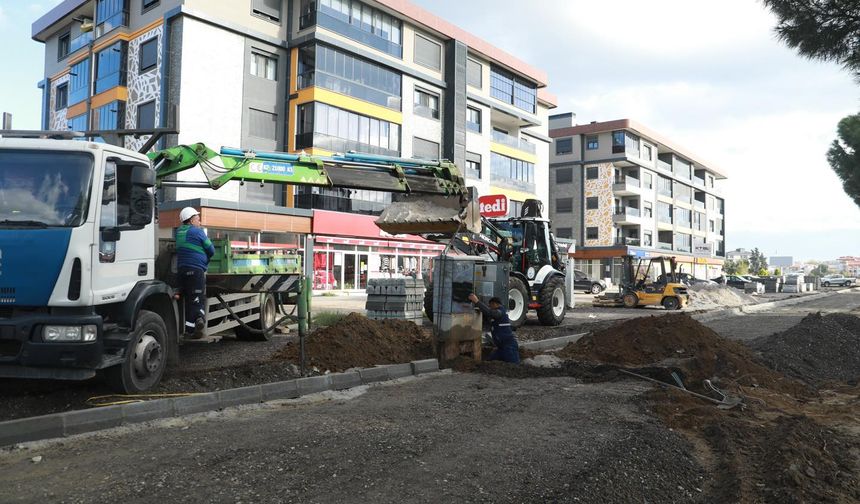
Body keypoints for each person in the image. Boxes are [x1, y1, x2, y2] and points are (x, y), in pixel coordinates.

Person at [175, 207, 215, 338]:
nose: (200, 222)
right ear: (192, 221)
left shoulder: (179, 232)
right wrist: (206, 258)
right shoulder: (198, 232)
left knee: (188, 300)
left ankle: (189, 330)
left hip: (181, 271)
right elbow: (211, 249)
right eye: (198, 219)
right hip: (196, 270)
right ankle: (199, 318)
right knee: (197, 299)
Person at [467, 293, 519, 364]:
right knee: (488, 363)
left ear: (495, 304)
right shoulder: (495, 316)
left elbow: (489, 312)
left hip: (509, 347)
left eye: (490, 305)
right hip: (500, 348)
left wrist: (477, 301)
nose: (490, 307)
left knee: (514, 365)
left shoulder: (500, 312)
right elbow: (487, 314)